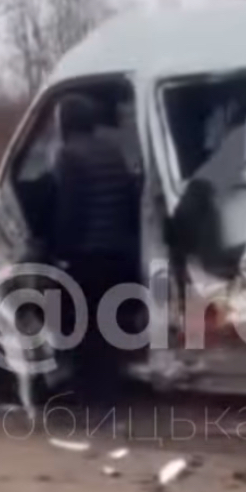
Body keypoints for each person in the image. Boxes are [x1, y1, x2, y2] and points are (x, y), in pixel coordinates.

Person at [50, 94, 141, 399]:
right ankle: (111, 387)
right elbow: (129, 200)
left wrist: (60, 253)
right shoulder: (113, 151)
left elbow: (70, 210)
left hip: (88, 255)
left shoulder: (69, 155)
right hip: (119, 252)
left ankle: (89, 391)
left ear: (66, 123)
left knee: (82, 325)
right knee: (108, 323)